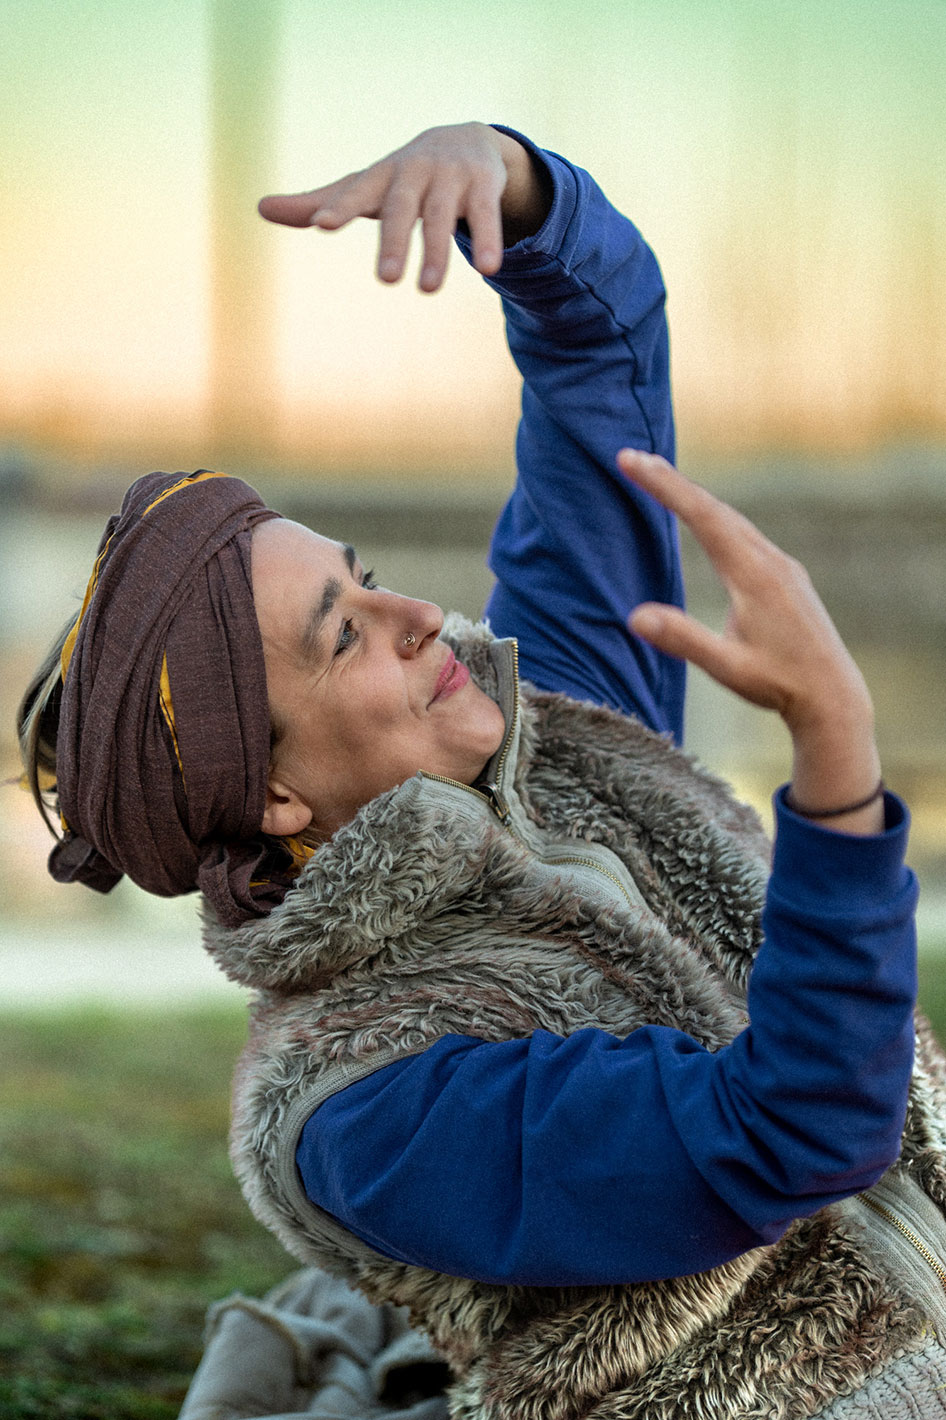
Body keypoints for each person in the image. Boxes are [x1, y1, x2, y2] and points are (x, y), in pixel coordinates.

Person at [18, 123, 946, 1419]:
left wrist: (506, 177)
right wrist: (836, 772)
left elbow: (599, 358)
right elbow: (790, 1134)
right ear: (277, 797)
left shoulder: (553, 716)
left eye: (369, 577)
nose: (422, 622)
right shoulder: (360, 1107)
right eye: (347, 634)